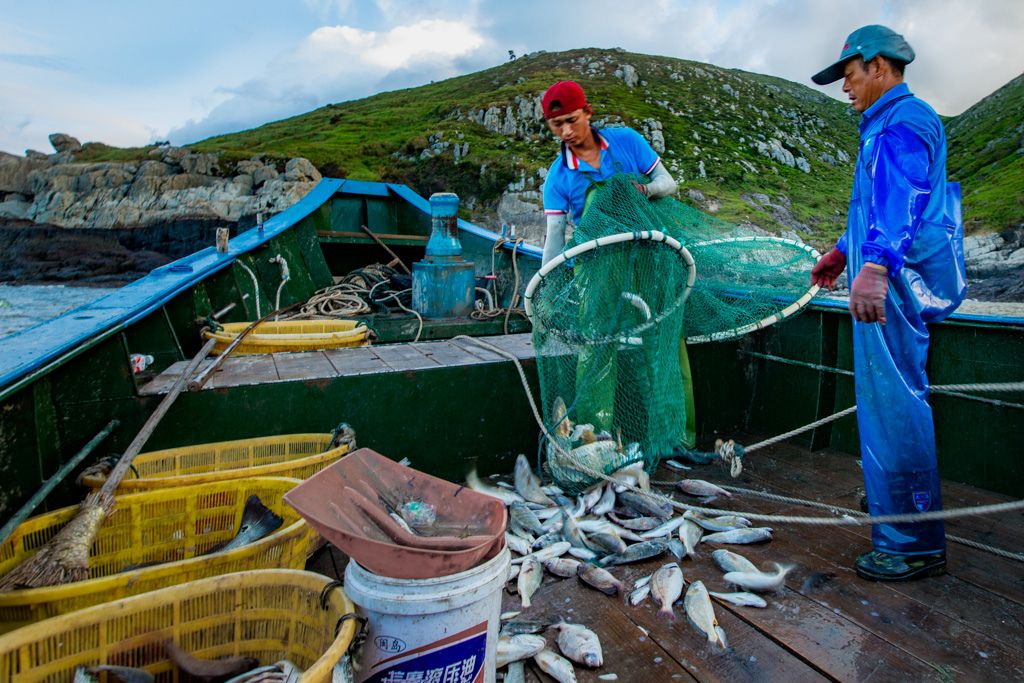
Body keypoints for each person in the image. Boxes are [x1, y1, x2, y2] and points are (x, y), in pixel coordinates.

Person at [810, 25, 966, 581]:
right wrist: (842, 251)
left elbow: (903, 203)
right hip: (886, 276)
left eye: (849, 74)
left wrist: (874, 268)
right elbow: (874, 207)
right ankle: (893, 502)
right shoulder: (884, 122)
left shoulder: (905, 120)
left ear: (878, 66)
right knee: (884, 400)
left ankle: (911, 540)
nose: (845, 87)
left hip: (893, 286)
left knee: (893, 402)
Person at [540, 80, 696, 449]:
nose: (566, 131)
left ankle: (676, 438)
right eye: (557, 125)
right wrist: (546, 286)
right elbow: (555, 238)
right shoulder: (558, 176)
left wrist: (647, 190)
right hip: (598, 266)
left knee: (665, 341)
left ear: (588, 113)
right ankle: (595, 440)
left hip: (651, 257)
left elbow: (667, 182)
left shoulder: (626, 140)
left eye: (572, 120)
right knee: (597, 346)